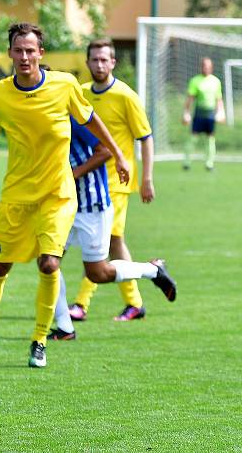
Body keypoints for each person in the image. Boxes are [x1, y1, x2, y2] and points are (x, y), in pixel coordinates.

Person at [0, 23, 129, 369]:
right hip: (16, 196)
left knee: (49, 263)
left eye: (30, 50)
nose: (24, 56)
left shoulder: (64, 85)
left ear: (40, 54)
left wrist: (119, 155)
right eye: (18, 50)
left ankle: (39, 340)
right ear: (10, 53)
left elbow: (92, 120)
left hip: (58, 195)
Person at [48, 117, 177, 340]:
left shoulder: (75, 119)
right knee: (49, 263)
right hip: (64, 206)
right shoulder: (39, 118)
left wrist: (73, 174)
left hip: (92, 206)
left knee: (98, 273)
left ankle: (153, 270)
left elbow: (105, 151)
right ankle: (65, 327)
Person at [68, 39, 158, 322]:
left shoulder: (125, 96)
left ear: (113, 62)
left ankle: (85, 303)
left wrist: (147, 178)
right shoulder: (80, 93)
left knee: (108, 241)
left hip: (117, 182)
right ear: (87, 63)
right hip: (88, 185)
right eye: (94, 59)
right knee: (105, 243)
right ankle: (132, 301)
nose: (99, 64)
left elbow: (145, 138)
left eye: (104, 59)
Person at [182, 56, 225, 171]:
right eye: (204, 66)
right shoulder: (195, 81)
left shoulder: (216, 81)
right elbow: (190, 99)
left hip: (210, 115)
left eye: (208, 66)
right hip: (199, 113)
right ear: (201, 67)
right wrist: (186, 113)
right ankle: (186, 162)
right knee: (193, 138)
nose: (206, 68)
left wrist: (221, 112)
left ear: (211, 67)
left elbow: (219, 99)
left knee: (210, 139)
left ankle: (209, 164)